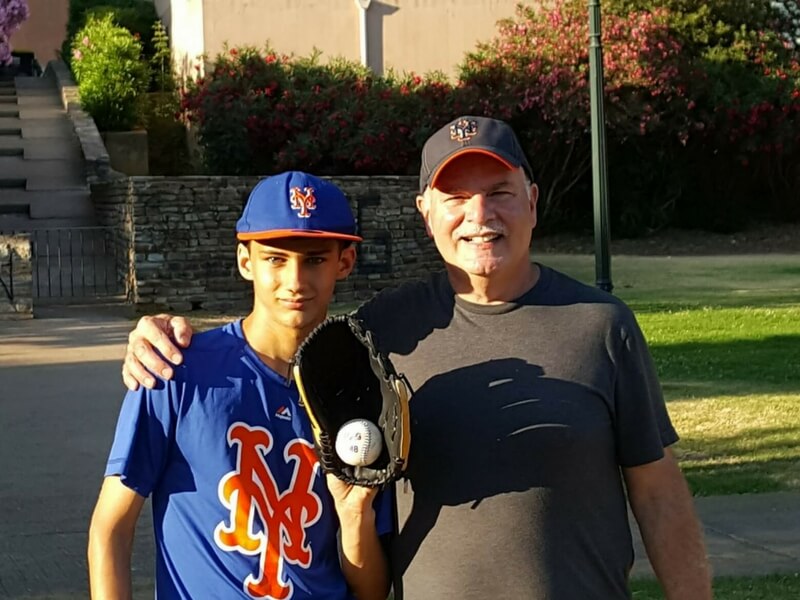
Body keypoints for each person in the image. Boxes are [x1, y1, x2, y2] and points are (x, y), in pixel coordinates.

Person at [121, 117, 712, 599]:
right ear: (425, 212)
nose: (479, 217)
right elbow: (280, 340)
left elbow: (657, 492)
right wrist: (163, 335)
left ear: (532, 202)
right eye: (456, 197)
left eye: (500, 193)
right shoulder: (380, 334)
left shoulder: (602, 324)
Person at [89, 172, 392, 600]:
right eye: (275, 258)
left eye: (315, 259)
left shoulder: (361, 392)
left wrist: (354, 514)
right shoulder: (174, 368)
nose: (295, 280)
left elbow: (372, 591)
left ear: (345, 262)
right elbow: (110, 529)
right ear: (245, 260)